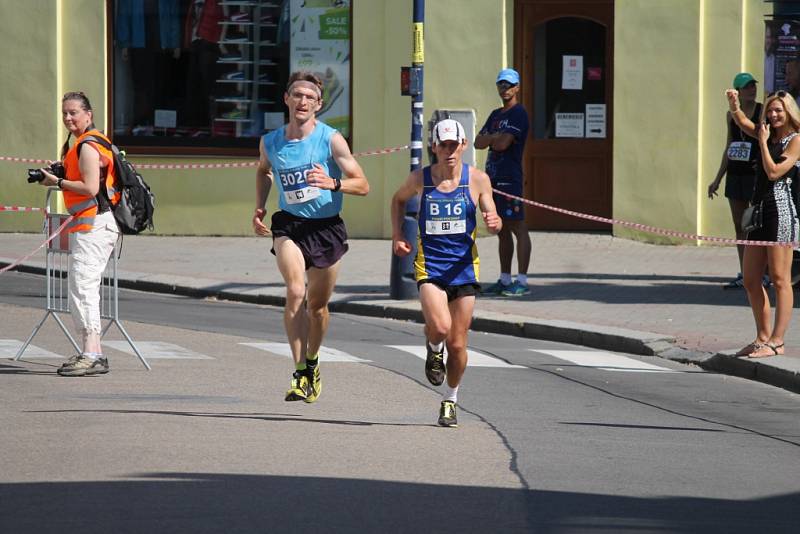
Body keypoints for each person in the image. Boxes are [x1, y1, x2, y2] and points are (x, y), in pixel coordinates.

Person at [253, 71, 369, 402]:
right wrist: (259, 207)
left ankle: (313, 361)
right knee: (294, 290)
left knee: (317, 307)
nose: (302, 101)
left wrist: (333, 183)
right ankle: (300, 370)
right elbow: (263, 170)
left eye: (309, 97)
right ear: (286, 99)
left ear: (318, 105)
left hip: (326, 228)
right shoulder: (271, 141)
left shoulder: (331, 140)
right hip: (289, 225)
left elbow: (363, 184)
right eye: (297, 95)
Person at [391, 119, 502, 427]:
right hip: (431, 266)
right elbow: (398, 200)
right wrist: (398, 235)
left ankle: (451, 399)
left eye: (455, 146)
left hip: (464, 270)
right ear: (435, 148)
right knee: (439, 328)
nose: (450, 152)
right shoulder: (420, 179)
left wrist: (495, 222)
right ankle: (432, 347)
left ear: (464, 145)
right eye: (444, 146)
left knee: (459, 344)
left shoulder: (478, 180)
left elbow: (492, 214)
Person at [36, 92, 121, 376]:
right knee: (83, 286)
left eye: (74, 112)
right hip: (92, 223)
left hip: (94, 225)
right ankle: (90, 351)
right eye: (64, 114)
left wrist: (57, 181)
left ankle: (93, 354)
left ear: (89, 114)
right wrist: (61, 174)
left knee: (83, 287)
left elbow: (90, 188)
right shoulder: (86, 143)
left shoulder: (87, 145)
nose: (68, 118)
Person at [726, 89, 800, 358]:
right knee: (750, 279)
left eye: (778, 110)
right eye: (770, 110)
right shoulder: (766, 133)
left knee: (781, 280)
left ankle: (777, 341)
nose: (773, 115)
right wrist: (735, 106)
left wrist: (763, 144)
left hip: (780, 213)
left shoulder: (796, 140)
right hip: (758, 212)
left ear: (789, 111)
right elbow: (745, 124)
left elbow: (773, 172)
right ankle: (762, 337)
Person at [474, 68, 531, 297]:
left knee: (518, 226)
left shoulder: (519, 114)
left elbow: (502, 144)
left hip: (510, 179)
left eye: (509, 85)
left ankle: (523, 281)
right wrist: (494, 138)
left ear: (517, 87)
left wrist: (494, 139)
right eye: (501, 85)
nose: (505, 89)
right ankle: (505, 279)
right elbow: (478, 142)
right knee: (501, 229)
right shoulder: (496, 114)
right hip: (492, 180)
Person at [708, 73, 763, 289]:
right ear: (737, 92)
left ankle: (760, 272)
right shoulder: (730, 116)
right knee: (740, 225)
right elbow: (729, 147)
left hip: (755, 175)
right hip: (735, 174)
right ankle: (744, 272)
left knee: (757, 226)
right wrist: (717, 179)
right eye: (747, 87)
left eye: (753, 86)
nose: (751, 89)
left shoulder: (762, 112)